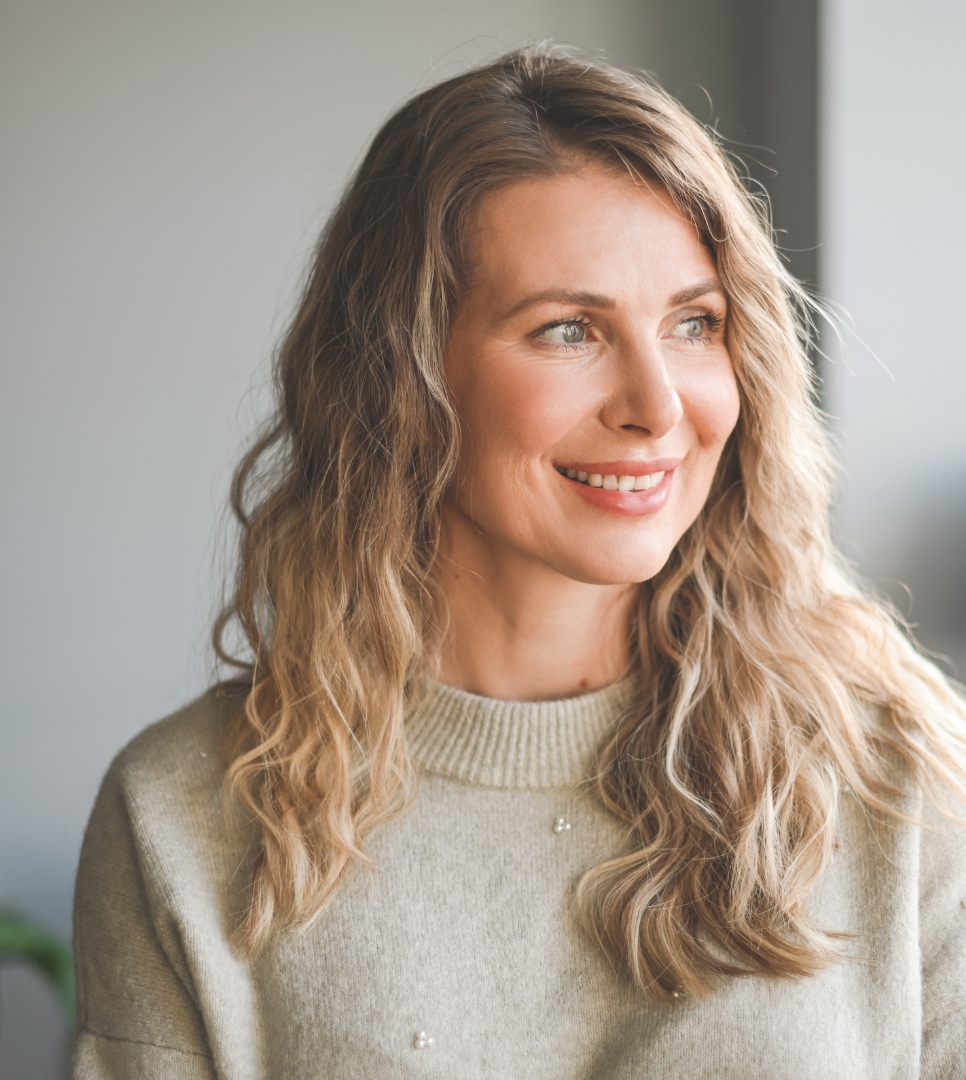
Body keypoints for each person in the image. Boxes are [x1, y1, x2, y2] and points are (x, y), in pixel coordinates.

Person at [71, 47, 966, 1079]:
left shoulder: (901, 779)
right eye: (569, 329)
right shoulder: (181, 819)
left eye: (694, 324)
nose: (658, 407)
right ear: (402, 380)